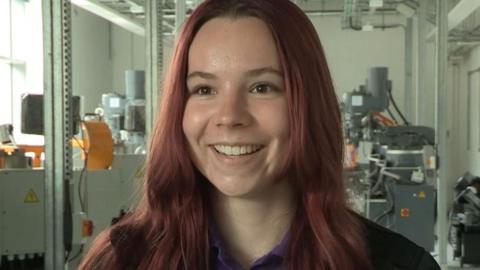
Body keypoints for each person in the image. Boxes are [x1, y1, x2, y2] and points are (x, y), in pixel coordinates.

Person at [79, 0, 440, 269]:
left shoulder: (400, 265)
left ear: (308, 104)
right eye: (204, 90)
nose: (229, 116)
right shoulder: (120, 260)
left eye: (262, 87)